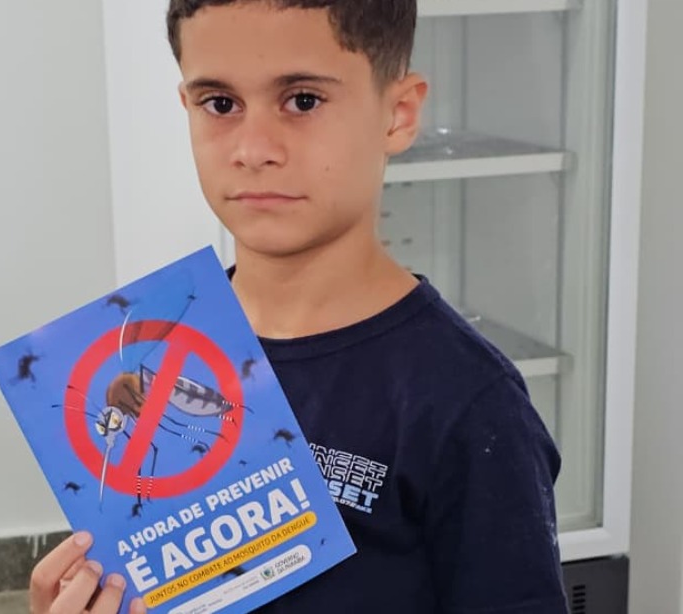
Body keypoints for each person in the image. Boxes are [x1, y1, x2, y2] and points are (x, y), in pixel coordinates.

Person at [29, 1, 569, 612]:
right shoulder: (149, 349)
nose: (253, 149)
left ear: (398, 114)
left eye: (303, 100)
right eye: (221, 104)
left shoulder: (467, 402)